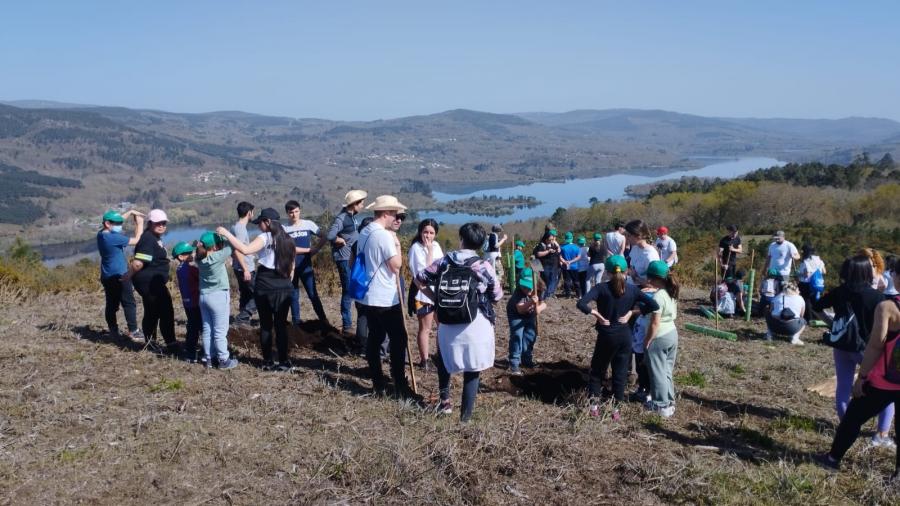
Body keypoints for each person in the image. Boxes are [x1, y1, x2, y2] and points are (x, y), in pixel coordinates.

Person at [415, 222, 504, 422]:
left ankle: (445, 402)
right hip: (476, 322)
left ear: (461, 239)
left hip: (447, 321)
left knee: (445, 361)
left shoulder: (444, 262)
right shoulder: (483, 265)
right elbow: (497, 295)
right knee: (473, 369)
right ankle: (465, 418)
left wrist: (435, 298)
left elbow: (419, 278)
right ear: (480, 244)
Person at [818, 268, 900, 475]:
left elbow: (875, 345)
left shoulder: (888, 307)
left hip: (884, 380)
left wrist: (862, 377)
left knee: (853, 418)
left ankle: (833, 458)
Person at [576, 255, 659, 419]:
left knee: (597, 371)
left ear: (606, 272)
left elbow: (581, 303)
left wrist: (596, 315)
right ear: (627, 271)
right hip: (625, 336)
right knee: (620, 374)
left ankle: (594, 407)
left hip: (606, 336)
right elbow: (653, 305)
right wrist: (631, 312)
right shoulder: (633, 289)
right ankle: (616, 410)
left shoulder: (600, 288)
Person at [218, 208, 296, 371]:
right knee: (281, 326)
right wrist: (288, 282)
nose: (259, 226)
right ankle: (283, 361)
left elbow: (245, 250)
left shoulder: (264, 237)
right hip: (284, 286)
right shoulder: (288, 239)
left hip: (265, 285)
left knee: (266, 325)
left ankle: (267, 361)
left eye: (260, 222)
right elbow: (292, 265)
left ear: (267, 222)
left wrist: (227, 234)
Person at [356, 195, 414, 397]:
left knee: (376, 337)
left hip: (369, 295)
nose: (397, 217)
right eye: (395, 213)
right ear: (387, 213)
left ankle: (378, 382)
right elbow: (395, 265)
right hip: (385, 296)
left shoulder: (365, 231)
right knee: (399, 338)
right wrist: (397, 245)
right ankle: (399, 384)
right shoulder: (383, 235)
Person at [123, 209, 179, 353]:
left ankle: (150, 342)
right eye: (158, 223)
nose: (161, 225)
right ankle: (170, 343)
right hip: (149, 283)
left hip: (152, 282)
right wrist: (127, 275)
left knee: (152, 311)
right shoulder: (148, 238)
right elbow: (138, 263)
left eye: (164, 223)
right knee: (165, 311)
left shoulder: (153, 236)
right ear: (150, 223)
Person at [96, 209, 144, 342]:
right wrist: (139, 224)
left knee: (111, 305)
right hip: (120, 275)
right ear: (107, 223)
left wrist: (130, 212)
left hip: (106, 275)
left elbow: (116, 220)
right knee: (129, 303)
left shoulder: (101, 234)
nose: (119, 225)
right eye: (116, 223)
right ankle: (134, 331)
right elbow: (137, 240)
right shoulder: (113, 238)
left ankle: (113, 330)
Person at [195, 232, 239, 370]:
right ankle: (223, 360)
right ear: (214, 247)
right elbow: (233, 245)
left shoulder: (199, 258)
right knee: (220, 331)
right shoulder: (217, 257)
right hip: (218, 297)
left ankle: (208, 358)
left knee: (208, 330)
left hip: (203, 297)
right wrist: (225, 234)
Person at [283, 200, 329, 329]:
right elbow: (287, 249)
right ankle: (296, 323)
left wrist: (316, 249)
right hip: (290, 267)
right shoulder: (284, 229)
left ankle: (324, 320)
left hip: (305, 266)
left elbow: (324, 236)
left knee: (312, 294)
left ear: (300, 211)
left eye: (296, 211)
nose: (294, 215)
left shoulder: (308, 224)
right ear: (287, 213)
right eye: (291, 212)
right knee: (293, 295)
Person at [642, 260, 680, 418]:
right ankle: (669, 401)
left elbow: (655, 322)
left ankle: (661, 405)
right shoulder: (670, 291)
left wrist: (647, 340)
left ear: (654, 278)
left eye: (649, 277)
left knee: (657, 371)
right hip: (672, 333)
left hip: (660, 337)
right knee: (666, 370)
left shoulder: (658, 297)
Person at [327, 189, 367, 336]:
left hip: (350, 257)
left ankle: (350, 323)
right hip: (343, 258)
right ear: (354, 204)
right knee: (348, 291)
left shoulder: (351, 216)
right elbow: (330, 235)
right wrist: (340, 240)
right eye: (361, 203)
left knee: (351, 290)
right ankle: (347, 325)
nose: (363, 205)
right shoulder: (342, 218)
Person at [408, 218, 444, 370]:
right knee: (426, 327)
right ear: (420, 232)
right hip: (422, 293)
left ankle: (440, 355)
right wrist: (429, 251)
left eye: (431, 233)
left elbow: (442, 266)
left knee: (441, 325)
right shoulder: (416, 248)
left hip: (438, 292)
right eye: (425, 232)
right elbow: (423, 274)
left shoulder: (436, 246)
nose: (428, 236)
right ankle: (425, 360)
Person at [507, 267, 546, 375]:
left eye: (529, 287)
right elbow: (520, 309)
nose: (526, 290)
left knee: (529, 337)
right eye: (524, 287)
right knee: (517, 336)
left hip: (530, 314)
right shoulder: (518, 293)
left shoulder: (539, 289)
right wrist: (531, 302)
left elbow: (544, 304)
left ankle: (527, 360)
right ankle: (514, 363)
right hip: (516, 315)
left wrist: (539, 308)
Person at [172, 241, 202, 363]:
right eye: (189, 253)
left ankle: (191, 352)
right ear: (181, 256)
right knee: (197, 328)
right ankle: (192, 353)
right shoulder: (190, 269)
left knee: (192, 326)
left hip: (187, 303)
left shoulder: (180, 268)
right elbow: (202, 277)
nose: (192, 254)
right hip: (195, 302)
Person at [232, 202, 257, 325]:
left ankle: (243, 321)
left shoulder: (235, 227)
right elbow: (237, 250)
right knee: (259, 293)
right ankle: (242, 318)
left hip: (238, 267)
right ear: (249, 213)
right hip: (244, 268)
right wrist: (245, 269)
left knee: (246, 294)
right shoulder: (240, 229)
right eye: (253, 212)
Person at [765, 280, 807, 345]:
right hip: (792, 328)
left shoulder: (776, 297)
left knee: (767, 311)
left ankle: (769, 334)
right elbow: (801, 315)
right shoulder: (800, 299)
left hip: (775, 326)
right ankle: (795, 337)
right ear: (795, 290)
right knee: (803, 321)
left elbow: (771, 312)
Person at [624, 220, 660, 286]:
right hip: (631, 286)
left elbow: (653, 285)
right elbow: (632, 266)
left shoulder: (651, 256)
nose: (626, 238)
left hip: (641, 291)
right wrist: (631, 271)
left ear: (639, 236)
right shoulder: (635, 248)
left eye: (629, 235)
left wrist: (636, 278)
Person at [533, 229, 561, 300]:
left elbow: (559, 251)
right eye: (550, 239)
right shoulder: (541, 245)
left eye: (553, 239)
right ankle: (544, 295)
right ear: (546, 239)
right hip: (542, 265)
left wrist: (557, 246)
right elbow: (538, 254)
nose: (551, 240)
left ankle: (548, 294)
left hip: (553, 265)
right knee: (545, 281)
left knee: (553, 280)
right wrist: (548, 251)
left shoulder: (553, 244)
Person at [798, 243, 827, 310]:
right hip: (816, 283)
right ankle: (816, 317)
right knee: (815, 302)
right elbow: (824, 272)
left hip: (806, 284)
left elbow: (807, 275)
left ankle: (808, 318)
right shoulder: (819, 260)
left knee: (806, 302)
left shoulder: (806, 261)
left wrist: (798, 274)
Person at [560, 232, 582, 298]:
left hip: (565, 267)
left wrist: (565, 262)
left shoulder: (562, 247)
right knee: (576, 281)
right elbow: (578, 257)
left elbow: (559, 256)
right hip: (574, 266)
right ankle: (578, 294)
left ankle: (568, 295)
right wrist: (571, 261)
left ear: (565, 238)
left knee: (567, 281)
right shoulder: (576, 247)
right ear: (572, 238)